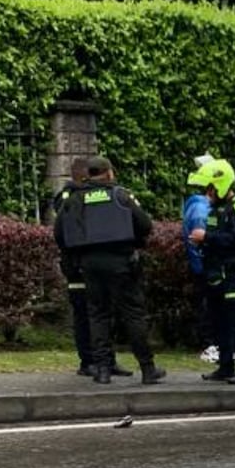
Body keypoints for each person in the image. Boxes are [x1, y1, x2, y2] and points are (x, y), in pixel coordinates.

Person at [52, 156, 165, 385]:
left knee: (98, 316)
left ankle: (102, 370)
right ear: (109, 173)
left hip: (90, 264)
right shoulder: (120, 196)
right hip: (121, 262)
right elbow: (145, 225)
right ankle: (147, 368)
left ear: (89, 174)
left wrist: (78, 256)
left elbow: (60, 233)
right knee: (132, 314)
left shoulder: (75, 199)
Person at [52, 157, 128, 378]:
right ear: (83, 176)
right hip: (77, 265)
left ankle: (107, 360)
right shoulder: (69, 197)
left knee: (103, 313)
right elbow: (64, 231)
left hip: (92, 264)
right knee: (84, 315)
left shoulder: (90, 197)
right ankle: (88, 361)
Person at [190, 159, 235, 385]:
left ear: (222, 185)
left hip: (232, 275)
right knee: (219, 322)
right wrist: (202, 242)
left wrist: (206, 237)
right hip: (214, 274)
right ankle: (226, 367)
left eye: (210, 188)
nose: (208, 193)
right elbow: (216, 239)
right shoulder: (215, 210)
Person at [182, 158, 216, 364]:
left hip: (204, 266)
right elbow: (199, 240)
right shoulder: (201, 210)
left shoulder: (198, 207)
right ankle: (210, 345)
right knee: (208, 306)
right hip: (205, 267)